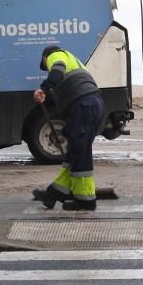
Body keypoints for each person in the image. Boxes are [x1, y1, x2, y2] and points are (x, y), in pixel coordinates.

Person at [31, 44, 105, 211]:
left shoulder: (56, 55)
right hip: (90, 105)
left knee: (78, 153)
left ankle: (69, 197)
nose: (47, 66)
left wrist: (43, 88)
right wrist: (66, 132)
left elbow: (57, 71)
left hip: (84, 105)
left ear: (45, 58)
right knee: (78, 153)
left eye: (45, 64)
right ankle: (71, 197)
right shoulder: (75, 61)